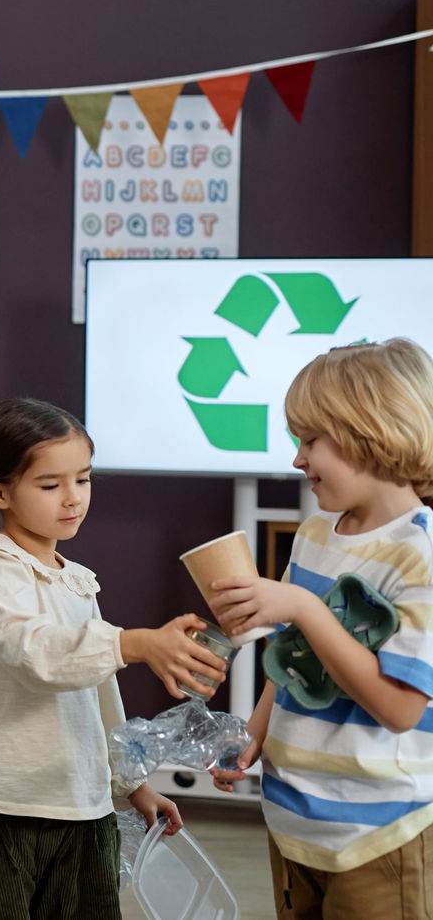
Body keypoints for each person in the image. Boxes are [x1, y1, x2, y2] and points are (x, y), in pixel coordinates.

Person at [0, 397, 228, 920]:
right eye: (50, 485)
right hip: (5, 809)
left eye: (83, 480)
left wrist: (131, 784)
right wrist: (134, 643)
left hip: (85, 809)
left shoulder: (76, 578)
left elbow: (97, 694)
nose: (73, 499)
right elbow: (36, 655)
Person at [209, 338, 433, 920]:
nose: (297, 459)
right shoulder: (314, 536)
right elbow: (292, 660)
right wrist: (254, 734)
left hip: (378, 833)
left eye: (310, 440)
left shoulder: (421, 556)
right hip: (293, 821)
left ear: (370, 431)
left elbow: (401, 710)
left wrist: (305, 607)